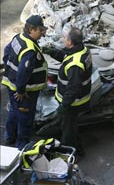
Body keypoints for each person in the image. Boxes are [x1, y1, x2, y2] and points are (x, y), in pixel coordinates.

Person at [42, 26, 92, 156]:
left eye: (64, 37)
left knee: (67, 130)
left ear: (70, 42)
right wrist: (52, 52)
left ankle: (67, 155)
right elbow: (66, 56)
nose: (62, 39)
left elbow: (74, 88)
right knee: (72, 125)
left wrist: (64, 105)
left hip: (73, 103)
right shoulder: (82, 50)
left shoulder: (75, 64)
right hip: (81, 99)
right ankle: (79, 149)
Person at [2, 15, 48, 150]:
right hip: (25, 92)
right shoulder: (29, 51)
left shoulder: (18, 38)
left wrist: (10, 68)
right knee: (25, 117)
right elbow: (24, 72)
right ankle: (22, 145)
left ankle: (9, 136)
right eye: (40, 31)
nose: (42, 33)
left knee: (14, 111)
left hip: (11, 84)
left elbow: (6, 52)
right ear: (31, 30)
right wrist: (21, 91)